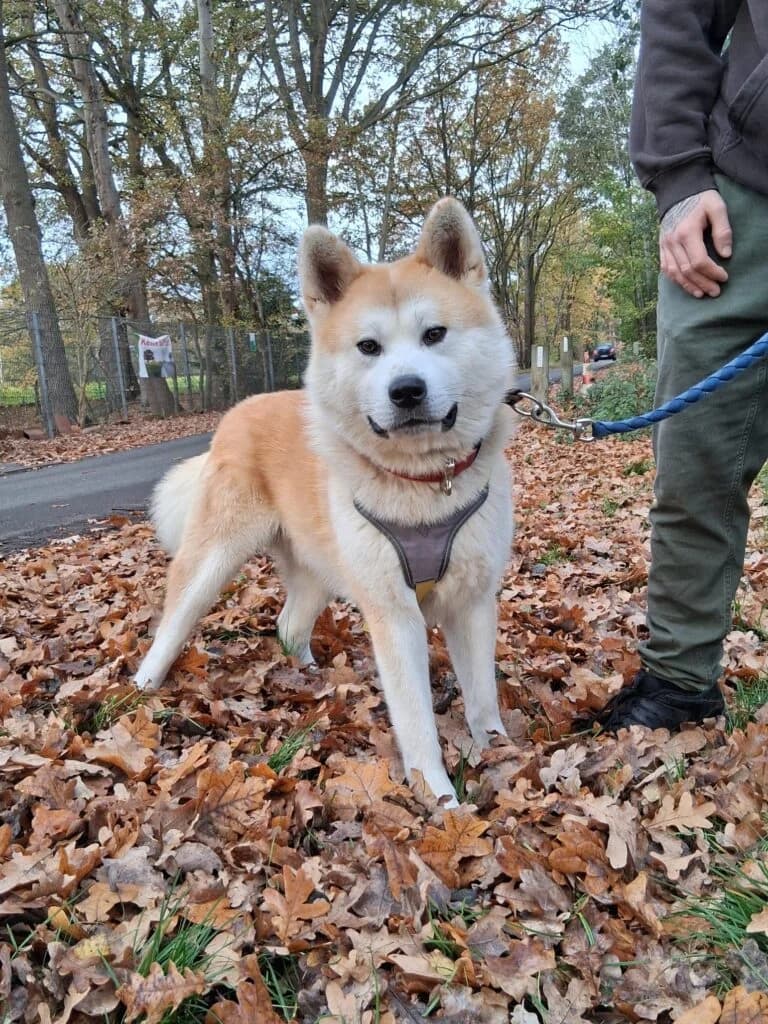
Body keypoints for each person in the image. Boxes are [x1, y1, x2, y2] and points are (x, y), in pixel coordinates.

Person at [589, 1, 768, 731]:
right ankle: (678, 685)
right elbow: (678, 15)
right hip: (738, 205)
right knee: (692, 460)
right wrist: (678, 176)